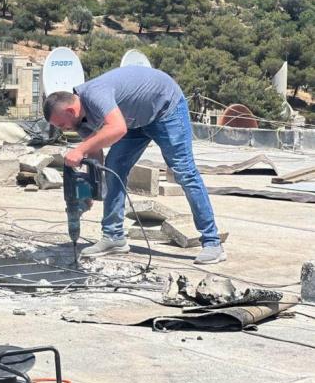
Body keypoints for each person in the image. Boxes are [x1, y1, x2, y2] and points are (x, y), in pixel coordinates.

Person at [44, 66, 226, 265]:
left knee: (184, 171)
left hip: (165, 108)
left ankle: (212, 243)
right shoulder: (80, 121)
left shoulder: (95, 94)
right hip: (133, 121)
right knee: (114, 167)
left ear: (71, 110)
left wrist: (78, 150)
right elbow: (96, 155)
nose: (64, 129)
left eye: (62, 125)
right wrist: (91, 191)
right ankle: (113, 237)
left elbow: (117, 128)